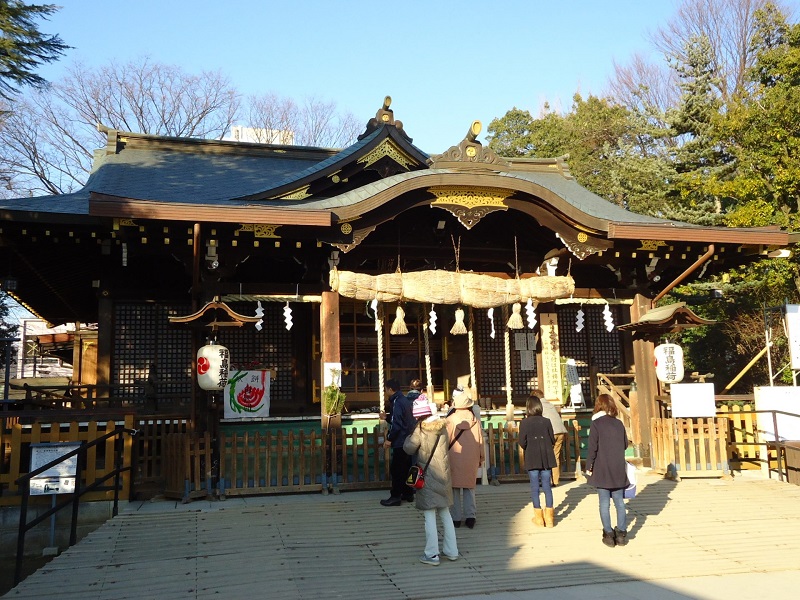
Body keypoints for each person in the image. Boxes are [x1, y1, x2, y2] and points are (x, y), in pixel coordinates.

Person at [403, 394, 458, 566]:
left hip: (427, 476)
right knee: (445, 513)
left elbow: (409, 448)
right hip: (444, 474)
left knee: (429, 516)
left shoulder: (421, 429)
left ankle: (432, 553)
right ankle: (451, 550)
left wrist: (409, 435)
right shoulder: (442, 427)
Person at [585, 393, 629, 547]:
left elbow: (592, 449)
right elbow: (625, 444)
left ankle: (609, 534)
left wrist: (588, 467)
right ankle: (622, 533)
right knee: (619, 502)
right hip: (617, 468)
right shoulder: (619, 424)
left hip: (602, 468)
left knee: (604, 503)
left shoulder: (596, 424)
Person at [445, 387, 484, 529]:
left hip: (454, 455)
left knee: (454, 488)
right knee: (469, 487)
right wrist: (481, 457)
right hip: (471, 457)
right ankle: (470, 516)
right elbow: (480, 441)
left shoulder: (450, 420)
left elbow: (446, 441)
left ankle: (455, 518)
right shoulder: (475, 420)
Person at [518, 395, 557, 527]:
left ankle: (539, 518)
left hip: (532, 457)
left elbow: (521, 442)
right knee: (547, 487)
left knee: (535, 487)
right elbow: (552, 439)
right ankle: (550, 518)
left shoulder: (524, 423)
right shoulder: (546, 421)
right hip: (546, 457)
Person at [381, 379, 415, 506]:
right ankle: (408, 492)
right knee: (406, 468)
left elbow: (397, 424)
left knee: (396, 470)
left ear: (390, 389)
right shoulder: (405, 400)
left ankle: (395, 496)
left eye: (386, 389)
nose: (385, 392)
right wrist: (387, 417)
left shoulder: (396, 402)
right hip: (408, 439)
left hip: (400, 440)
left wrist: (389, 439)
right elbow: (403, 420)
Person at [531, 388, 568, 485]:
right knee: (556, 456)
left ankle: (546, 480)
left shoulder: (539, 406)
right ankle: (555, 480)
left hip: (550, 432)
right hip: (560, 431)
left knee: (546, 456)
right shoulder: (550, 405)